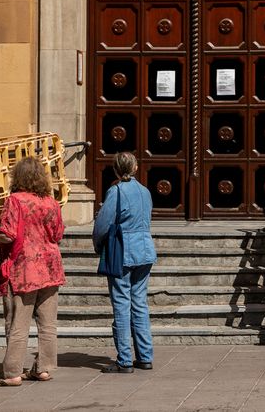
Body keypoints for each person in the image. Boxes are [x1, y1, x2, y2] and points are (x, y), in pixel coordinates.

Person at [0, 157, 66, 386]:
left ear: (18, 176)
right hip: (50, 268)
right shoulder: (51, 202)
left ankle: (12, 373)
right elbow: (58, 234)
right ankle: (43, 369)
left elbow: (8, 235)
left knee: (18, 324)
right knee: (48, 324)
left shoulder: (15, 201)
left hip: (24, 268)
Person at [92, 152, 157, 373]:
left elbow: (103, 223)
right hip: (145, 249)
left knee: (121, 304)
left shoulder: (116, 191)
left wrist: (99, 246)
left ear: (116, 170)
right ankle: (145, 356)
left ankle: (124, 359)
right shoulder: (145, 191)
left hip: (123, 251)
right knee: (140, 303)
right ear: (136, 168)